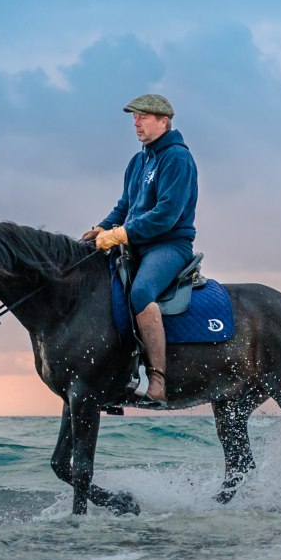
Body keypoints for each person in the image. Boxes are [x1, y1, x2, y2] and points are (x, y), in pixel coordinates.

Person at [82, 94, 198, 402]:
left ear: (164, 121)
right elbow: (124, 206)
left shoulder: (177, 158)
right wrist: (101, 229)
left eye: (143, 117)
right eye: (134, 117)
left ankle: (157, 378)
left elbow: (166, 215)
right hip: (136, 243)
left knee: (141, 291)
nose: (136, 122)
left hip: (169, 245)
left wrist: (120, 235)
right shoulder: (138, 161)